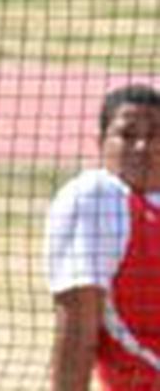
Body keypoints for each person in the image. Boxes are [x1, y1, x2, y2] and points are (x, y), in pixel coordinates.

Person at [45, 84, 160, 390]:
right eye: (127, 135)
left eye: (154, 136)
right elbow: (77, 332)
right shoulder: (99, 200)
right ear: (100, 142)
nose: (142, 147)